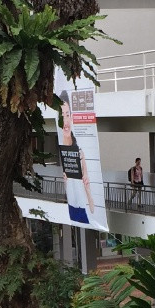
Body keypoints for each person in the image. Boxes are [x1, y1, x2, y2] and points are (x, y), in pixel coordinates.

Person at [57, 88, 97, 224]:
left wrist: (87, 188)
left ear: (72, 117)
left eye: (67, 114)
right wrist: (65, 182)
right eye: (62, 116)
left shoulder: (80, 153)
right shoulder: (61, 148)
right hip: (70, 209)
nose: (65, 120)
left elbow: (92, 209)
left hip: (81, 210)